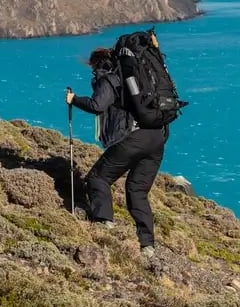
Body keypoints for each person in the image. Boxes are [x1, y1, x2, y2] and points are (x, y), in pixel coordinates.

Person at [66, 46, 168, 257]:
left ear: (98, 64)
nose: (93, 72)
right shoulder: (138, 77)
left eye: (93, 68)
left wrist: (74, 99)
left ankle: (104, 223)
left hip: (134, 137)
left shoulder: (110, 78)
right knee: (137, 190)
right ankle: (147, 245)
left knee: (97, 178)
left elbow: (97, 105)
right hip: (157, 136)